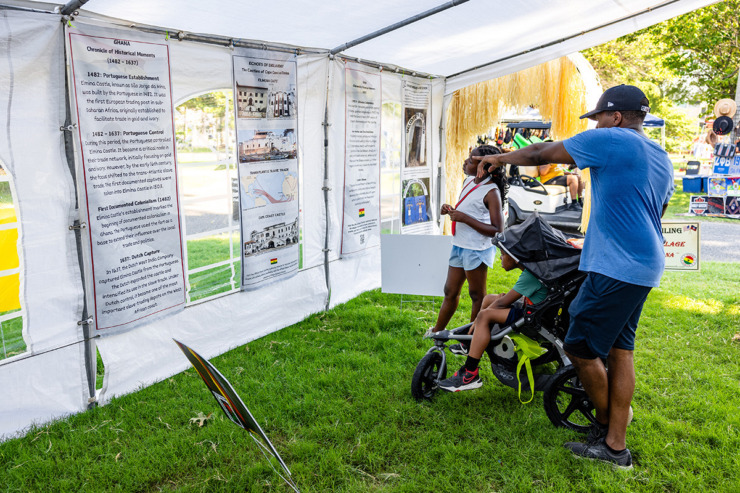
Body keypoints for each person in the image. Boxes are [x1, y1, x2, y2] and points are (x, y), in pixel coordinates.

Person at [474, 85, 674, 469]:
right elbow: (655, 209)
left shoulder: (612, 139)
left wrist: (499, 158)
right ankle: (614, 439)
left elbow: (538, 153)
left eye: (598, 117)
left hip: (616, 267)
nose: (595, 124)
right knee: (620, 349)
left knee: (580, 347)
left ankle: (613, 431)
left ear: (615, 117)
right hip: (645, 263)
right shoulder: (660, 155)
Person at [424, 145, 507, 337]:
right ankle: (437, 330)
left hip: (476, 250)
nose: (465, 162)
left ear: (485, 167)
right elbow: (470, 210)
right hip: (460, 245)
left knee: (477, 296)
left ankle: (471, 338)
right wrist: (451, 209)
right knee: (449, 290)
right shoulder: (469, 181)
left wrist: (464, 218)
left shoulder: (491, 192)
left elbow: (497, 230)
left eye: (470, 161)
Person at [437, 249, 548, 391]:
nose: (500, 257)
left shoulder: (530, 275)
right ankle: (472, 345)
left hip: (532, 318)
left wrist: (479, 318)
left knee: (485, 316)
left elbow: (502, 304)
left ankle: (470, 373)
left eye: (503, 254)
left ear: (514, 258)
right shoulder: (533, 270)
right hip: (534, 309)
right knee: (489, 298)